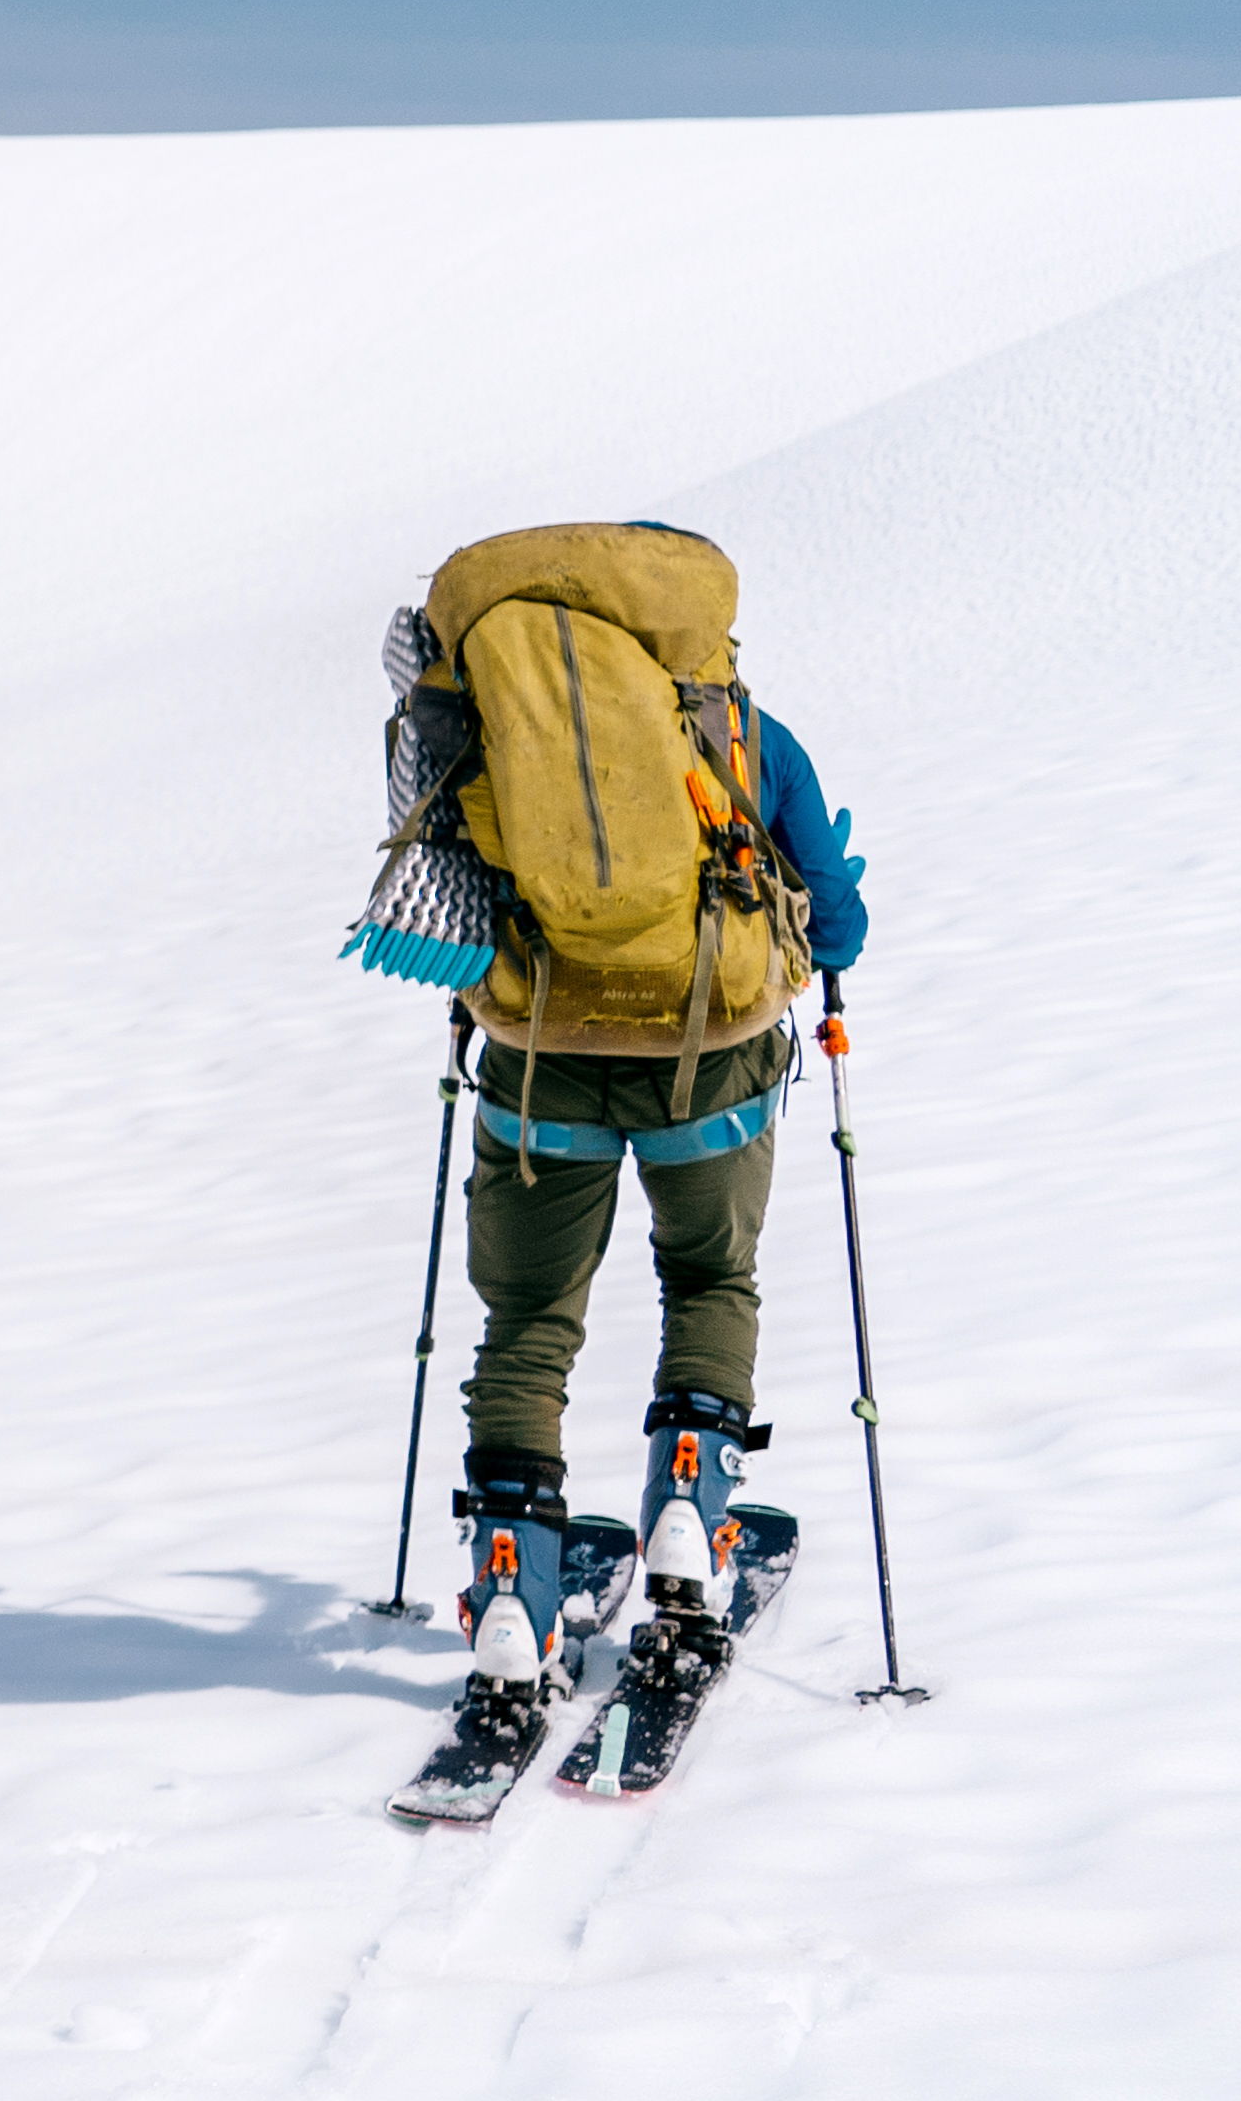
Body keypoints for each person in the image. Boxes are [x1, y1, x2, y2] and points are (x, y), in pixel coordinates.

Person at [360, 522, 870, 1705]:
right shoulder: (738, 728)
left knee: (528, 1318)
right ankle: (690, 1504)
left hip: (540, 1061)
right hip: (713, 1058)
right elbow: (836, 924)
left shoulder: (485, 726)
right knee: (708, 1280)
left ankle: (508, 1590)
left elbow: (448, 893)